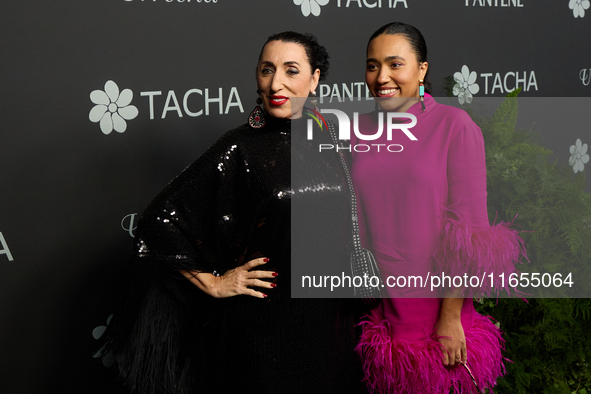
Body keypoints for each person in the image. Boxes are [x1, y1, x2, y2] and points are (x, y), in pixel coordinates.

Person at [99, 31, 363, 394]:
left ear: (315, 78)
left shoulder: (334, 136)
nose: (276, 83)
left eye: (291, 70)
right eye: (267, 69)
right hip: (262, 329)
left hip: (330, 324)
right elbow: (158, 220)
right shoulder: (239, 146)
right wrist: (213, 281)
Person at [351, 22, 527, 393]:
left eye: (395, 64)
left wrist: (450, 316)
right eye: (372, 65)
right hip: (377, 311)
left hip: (435, 315)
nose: (382, 76)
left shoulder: (454, 126)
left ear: (422, 70)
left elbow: (470, 235)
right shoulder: (357, 130)